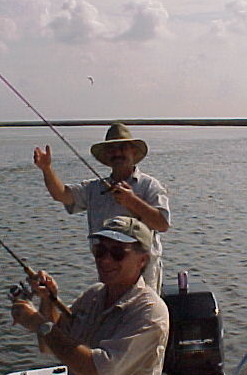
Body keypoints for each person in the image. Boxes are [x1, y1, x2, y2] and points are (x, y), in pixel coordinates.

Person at [11, 216, 169, 375]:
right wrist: (48, 302)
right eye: (99, 250)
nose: (105, 260)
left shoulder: (150, 313)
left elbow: (97, 374)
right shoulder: (94, 295)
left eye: (118, 252)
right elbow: (50, 345)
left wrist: (39, 323)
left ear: (142, 260)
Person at [33, 122, 170, 292]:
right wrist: (46, 169)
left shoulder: (150, 186)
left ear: (133, 151)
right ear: (106, 155)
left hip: (143, 275)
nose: (117, 153)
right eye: (112, 149)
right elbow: (62, 195)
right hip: (108, 268)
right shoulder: (94, 188)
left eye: (122, 148)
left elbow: (162, 224)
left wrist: (131, 201)